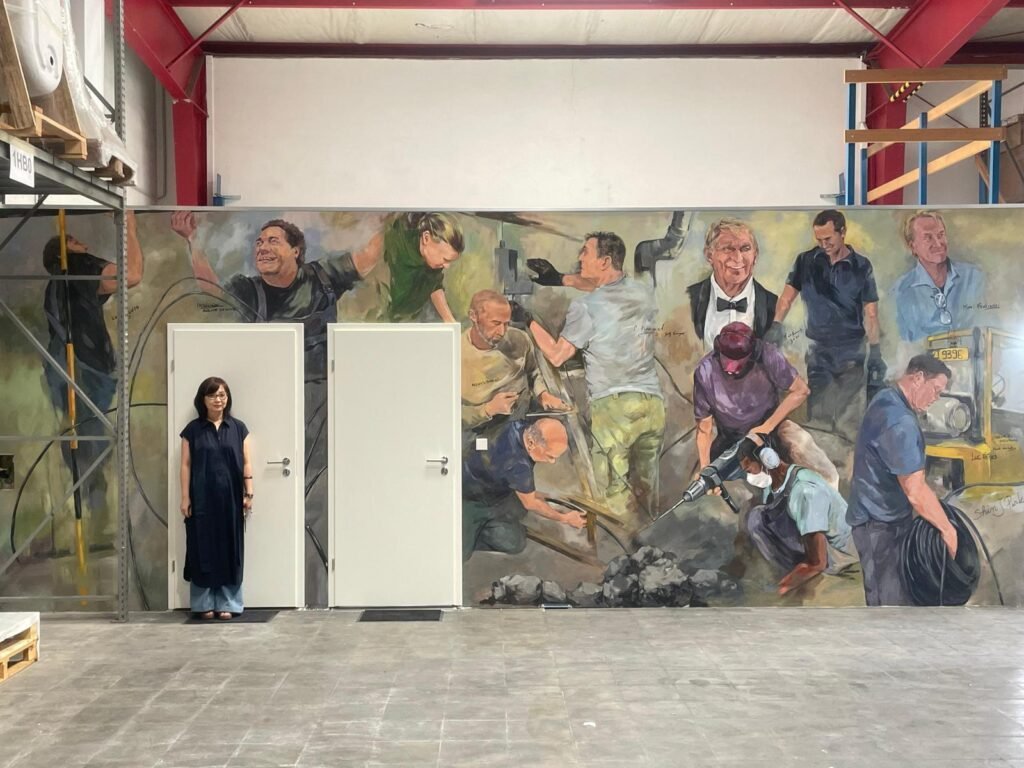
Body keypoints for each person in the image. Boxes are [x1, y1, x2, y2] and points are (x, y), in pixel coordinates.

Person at [170, 213, 381, 607]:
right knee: (275, 491)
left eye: (273, 241)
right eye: (259, 242)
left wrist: (388, 221)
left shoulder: (323, 276)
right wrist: (191, 240)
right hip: (274, 397)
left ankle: (318, 589)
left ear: (296, 250)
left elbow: (367, 258)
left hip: (321, 398)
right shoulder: (248, 290)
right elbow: (209, 290)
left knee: (318, 494)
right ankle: (269, 583)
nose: (262, 248)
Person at [525, 232, 665, 521]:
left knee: (613, 495)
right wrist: (560, 279)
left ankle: (618, 546)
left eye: (585, 252)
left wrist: (527, 320)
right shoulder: (643, 293)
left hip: (614, 408)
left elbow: (557, 355)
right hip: (652, 405)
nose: (579, 258)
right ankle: (651, 539)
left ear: (604, 261)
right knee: (646, 489)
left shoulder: (586, 307)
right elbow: (605, 286)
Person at [43, 212, 144, 540]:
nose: (81, 242)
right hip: (84, 368)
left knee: (81, 439)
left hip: (63, 368)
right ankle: (96, 517)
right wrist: (130, 226)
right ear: (67, 250)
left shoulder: (58, 285)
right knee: (92, 439)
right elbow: (132, 275)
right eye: (73, 241)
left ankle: (89, 514)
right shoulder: (78, 265)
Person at [846, 354, 958, 606]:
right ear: (918, 378)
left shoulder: (886, 398)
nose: (936, 398)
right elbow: (915, 490)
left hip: (875, 518)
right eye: (936, 390)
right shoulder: (900, 421)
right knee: (890, 605)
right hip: (880, 527)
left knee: (889, 600)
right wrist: (947, 529)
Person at [768, 209, 884, 437]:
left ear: (843, 232)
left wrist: (876, 351)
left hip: (852, 354)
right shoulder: (805, 261)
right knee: (818, 422)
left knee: (849, 425)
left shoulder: (861, 266)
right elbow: (786, 298)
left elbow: (871, 313)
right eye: (819, 240)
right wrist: (776, 325)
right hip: (818, 352)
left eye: (828, 239)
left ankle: (847, 458)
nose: (823, 245)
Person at [693, 322, 838, 490]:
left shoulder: (768, 355)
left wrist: (767, 427)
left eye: (738, 360)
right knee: (734, 486)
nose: (730, 367)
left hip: (773, 427)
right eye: (726, 359)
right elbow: (704, 428)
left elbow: (801, 391)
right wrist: (705, 468)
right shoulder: (705, 372)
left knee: (816, 462)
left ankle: (831, 496)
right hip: (733, 440)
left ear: (752, 353)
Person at [738, 437, 856, 596]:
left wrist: (784, 587)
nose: (749, 477)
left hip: (839, 555)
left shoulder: (805, 491)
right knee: (757, 517)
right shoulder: (775, 483)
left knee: (760, 519)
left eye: (749, 470)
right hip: (817, 545)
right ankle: (791, 572)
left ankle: (804, 579)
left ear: (767, 459)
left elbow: (818, 562)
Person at [179, 377, 253, 620]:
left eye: (222, 395)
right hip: (201, 499)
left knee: (230, 549)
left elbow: (247, 462)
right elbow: (185, 465)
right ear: (203, 399)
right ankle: (202, 603)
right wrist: (185, 497)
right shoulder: (192, 430)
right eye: (212, 395)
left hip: (231, 499)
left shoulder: (239, 428)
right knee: (202, 548)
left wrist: (249, 492)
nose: (218, 400)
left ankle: (229, 603)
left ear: (227, 398)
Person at [463, 418, 586, 560]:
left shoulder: (517, 426)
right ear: (532, 443)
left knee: (518, 511)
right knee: (514, 542)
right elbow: (531, 503)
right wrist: (565, 518)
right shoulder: (519, 465)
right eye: (550, 456)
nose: (552, 462)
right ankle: (475, 533)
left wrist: (537, 494)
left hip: (477, 473)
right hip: (471, 497)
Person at [461, 290, 567, 441]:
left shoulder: (520, 339)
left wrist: (542, 395)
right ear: (473, 316)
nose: (502, 331)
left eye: (506, 323)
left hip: (523, 422)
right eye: (495, 323)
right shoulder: (455, 354)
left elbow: (533, 372)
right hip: (481, 432)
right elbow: (448, 414)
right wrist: (488, 409)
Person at [891, 211, 987, 343]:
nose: (938, 243)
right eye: (928, 237)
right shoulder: (901, 291)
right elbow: (902, 345)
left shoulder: (974, 277)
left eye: (941, 235)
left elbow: (989, 328)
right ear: (913, 246)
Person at [687, 218, 778, 349]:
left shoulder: (774, 305)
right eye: (728, 249)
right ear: (709, 255)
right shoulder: (688, 300)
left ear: (755, 255)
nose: (737, 258)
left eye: (745, 248)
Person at [382, 212, 463, 322]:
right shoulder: (395, 245)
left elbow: (435, 285)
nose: (447, 266)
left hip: (413, 318)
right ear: (426, 238)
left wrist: (449, 320)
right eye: (445, 259)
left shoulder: (433, 262)